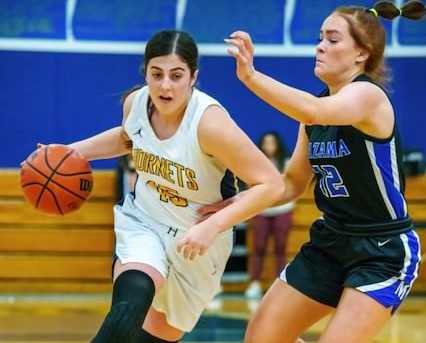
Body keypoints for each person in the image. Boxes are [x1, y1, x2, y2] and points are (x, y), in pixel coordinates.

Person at [200, 1, 425, 342]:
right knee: (259, 338)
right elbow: (290, 183)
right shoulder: (313, 116)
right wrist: (233, 208)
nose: (320, 46)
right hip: (331, 241)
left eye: (333, 40)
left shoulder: (367, 96)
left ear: (361, 54)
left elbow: (315, 109)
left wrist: (250, 75)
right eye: (320, 37)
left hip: (382, 249)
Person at [59, 30, 284, 343]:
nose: (165, 85)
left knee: (155, 336)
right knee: (131, 300)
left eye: (176, 75)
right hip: (146, 221)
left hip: (198, 242)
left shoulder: (209, 124)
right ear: (146, 73)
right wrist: (71, 152)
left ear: (193, 77)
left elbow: (272, 185)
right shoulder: (136, 104)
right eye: (157, 74)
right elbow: (128, 137)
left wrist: (215, 224)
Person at [245, 132, 294, 299]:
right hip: (261, 211)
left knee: (280, 248)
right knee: (258, 247)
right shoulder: (256, 164)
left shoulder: (286, 164)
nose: (269, 146)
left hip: (283, 210)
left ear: (278, 145)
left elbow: (291, 187)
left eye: (272, 143)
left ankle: (279, 284)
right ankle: (255, 283)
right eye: (266, 143)